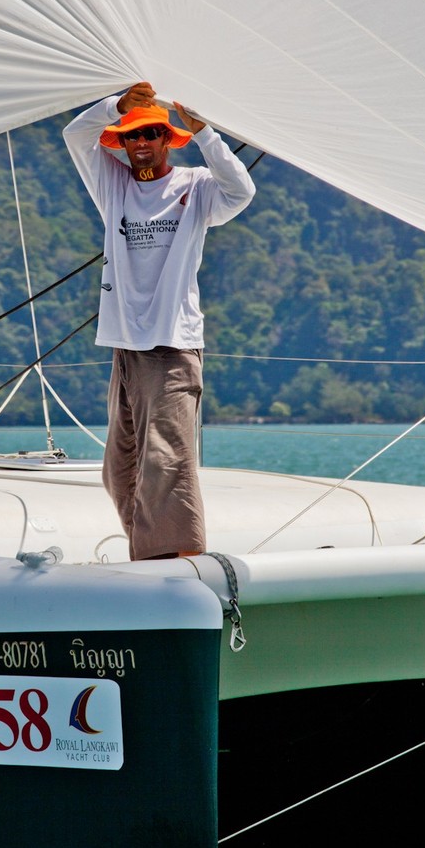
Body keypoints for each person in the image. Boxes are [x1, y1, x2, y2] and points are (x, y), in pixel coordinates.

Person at [63, 82, 255, 560]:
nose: (141, 142)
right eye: (132, 135)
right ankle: (149, 552)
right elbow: (74, 135)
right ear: (122, 144)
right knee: (120, 470)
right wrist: (114, 106)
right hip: (126, 347)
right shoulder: (114, 186)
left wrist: (206, 133)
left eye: (151, 133)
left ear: (168, 138)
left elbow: (242, 189)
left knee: (166, 464)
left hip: (172, 345)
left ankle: (175, 562)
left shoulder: (196, 186)